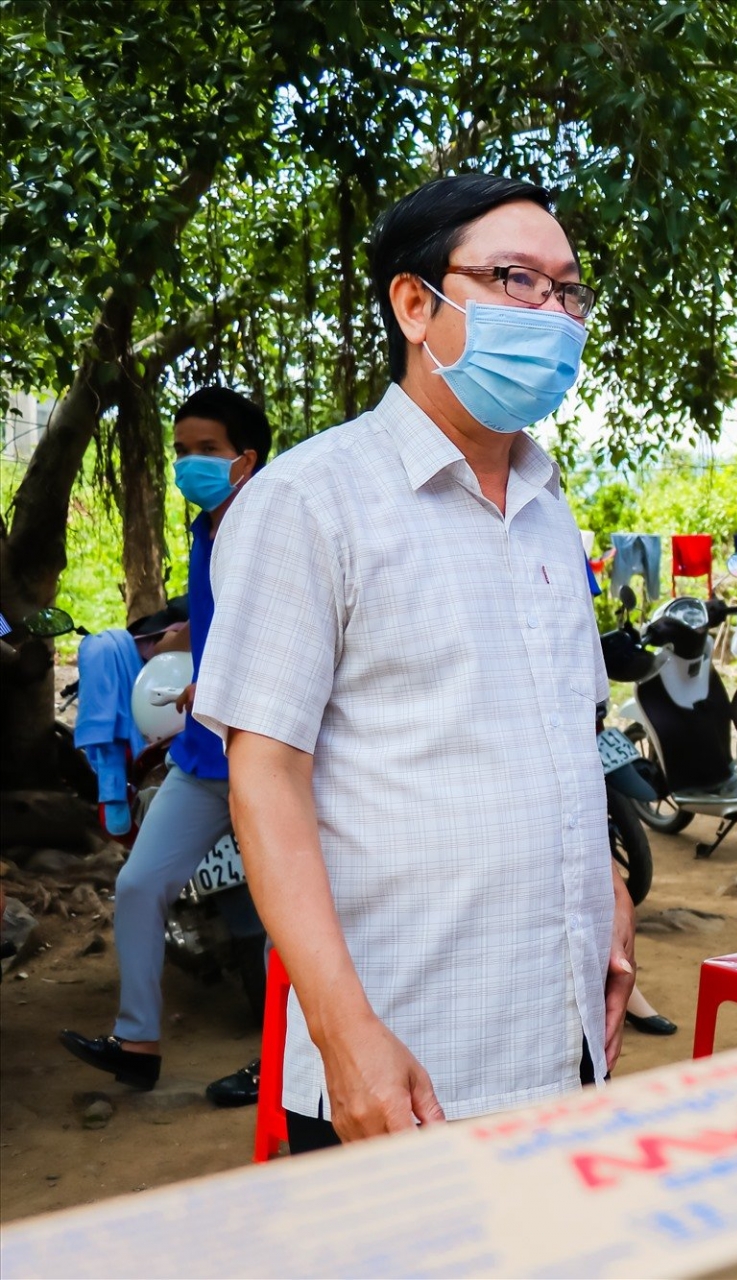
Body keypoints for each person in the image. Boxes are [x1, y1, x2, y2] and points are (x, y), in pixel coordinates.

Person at [192, 174, 633, 1151]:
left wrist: (610, 891)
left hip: (559, 1048)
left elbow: (569, 737)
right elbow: (264, 777)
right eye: (518, 279)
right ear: (413, 303)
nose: (553, 315)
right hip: (406, 1064)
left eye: (569, 291)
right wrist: (345, 1032)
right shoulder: (312, 501)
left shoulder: (549, 506)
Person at [60, 387, 271, 1106]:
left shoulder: (272, 529)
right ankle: (138, 1041)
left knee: (289, 913)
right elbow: (222, 621)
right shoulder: (208, 530)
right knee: (140, 884)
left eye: (205, 451)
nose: (189, 464)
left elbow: (288, 637)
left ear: (245, 460)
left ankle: (284, 1064)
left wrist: (224, 685)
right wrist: (193, 651)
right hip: (202, 755)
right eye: (181, 451)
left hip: (264, 758)